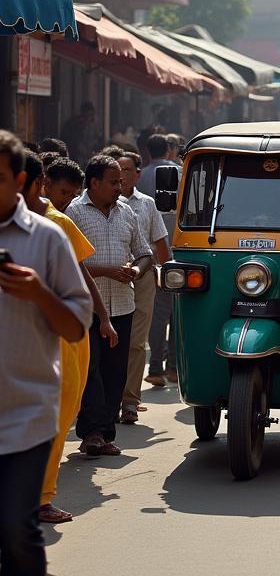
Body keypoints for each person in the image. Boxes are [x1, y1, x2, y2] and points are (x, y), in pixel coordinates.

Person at [0, 131, 91, 576]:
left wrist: (38, 291)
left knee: (18, 529)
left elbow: (76, 324)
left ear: (19, 181)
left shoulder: (49, 238)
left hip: (27, 414)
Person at [21, 153, 115, 524]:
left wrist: (103, 317)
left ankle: (41, 498)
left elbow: (79, 275)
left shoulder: (56, 224)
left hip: (59, 337)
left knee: (57, 416)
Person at [67, 155, 152, 456]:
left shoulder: (127, 212)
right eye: (114, 182)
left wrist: (136, 271)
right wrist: (106, 270)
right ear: (94, 183)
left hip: (123, 304)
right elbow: (71, 263)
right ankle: (90, 432)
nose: (120, 186)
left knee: (116, 371)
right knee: (91, 371)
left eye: (121, 181)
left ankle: (105, 433)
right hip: (88, 306)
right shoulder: (74, 213)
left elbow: (144, 253)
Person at [117, 153, 169, 424]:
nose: (122, 176)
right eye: (117, 171)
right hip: (107, 281)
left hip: (142, 279)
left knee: (137, 343)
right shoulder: (85, 206)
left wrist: (169, 275)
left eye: (126, 170)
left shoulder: (147, 204)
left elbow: (159, 243)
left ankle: (129, 401)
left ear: (137, 174)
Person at [137, 133, 180, 387]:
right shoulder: (181, 171)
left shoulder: (139, 177)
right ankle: (172, 368)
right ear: (167, 150)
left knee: (158, 313)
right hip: (177, 251)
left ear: (147, 151)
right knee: (174, 313)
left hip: (147, 254)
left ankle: (156, 367)